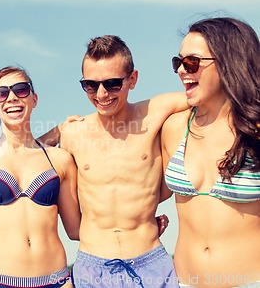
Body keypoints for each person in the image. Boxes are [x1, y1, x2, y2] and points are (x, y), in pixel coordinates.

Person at [34, 35, 188, 287]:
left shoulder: (156, 112)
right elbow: (22, 154)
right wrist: (57, 131)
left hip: (151, 262)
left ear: (133, 79)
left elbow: (210, 98)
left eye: (113, 84)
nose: (102, 94)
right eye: (91, 86)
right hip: (92, 267)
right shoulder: (74, 133)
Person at [162, 17, 260, 288]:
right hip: (185, 282)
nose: (182, 71)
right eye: (177, 62)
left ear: (229, 63)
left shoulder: (255, 131)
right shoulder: (173, 129)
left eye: (192, 62)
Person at [0, 66, 81, 288]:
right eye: (1, 93)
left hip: (55, 281)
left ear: (34, 99)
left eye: (21, 90)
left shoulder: (60, 160)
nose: (11, 97)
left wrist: (136, 225)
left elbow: (76, 229)